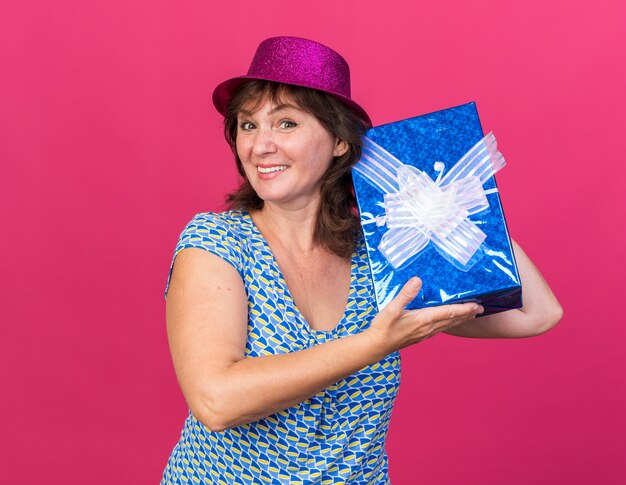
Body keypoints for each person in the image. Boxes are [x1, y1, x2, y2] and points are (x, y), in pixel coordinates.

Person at [160, 36, 563, 484]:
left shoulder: (382, 254)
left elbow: (537, 314)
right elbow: (216, 400)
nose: (260, 145)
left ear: (339, 142)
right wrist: (376, 342)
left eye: (287, 123)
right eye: (248, 126)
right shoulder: (217, 242)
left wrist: (456, 199)